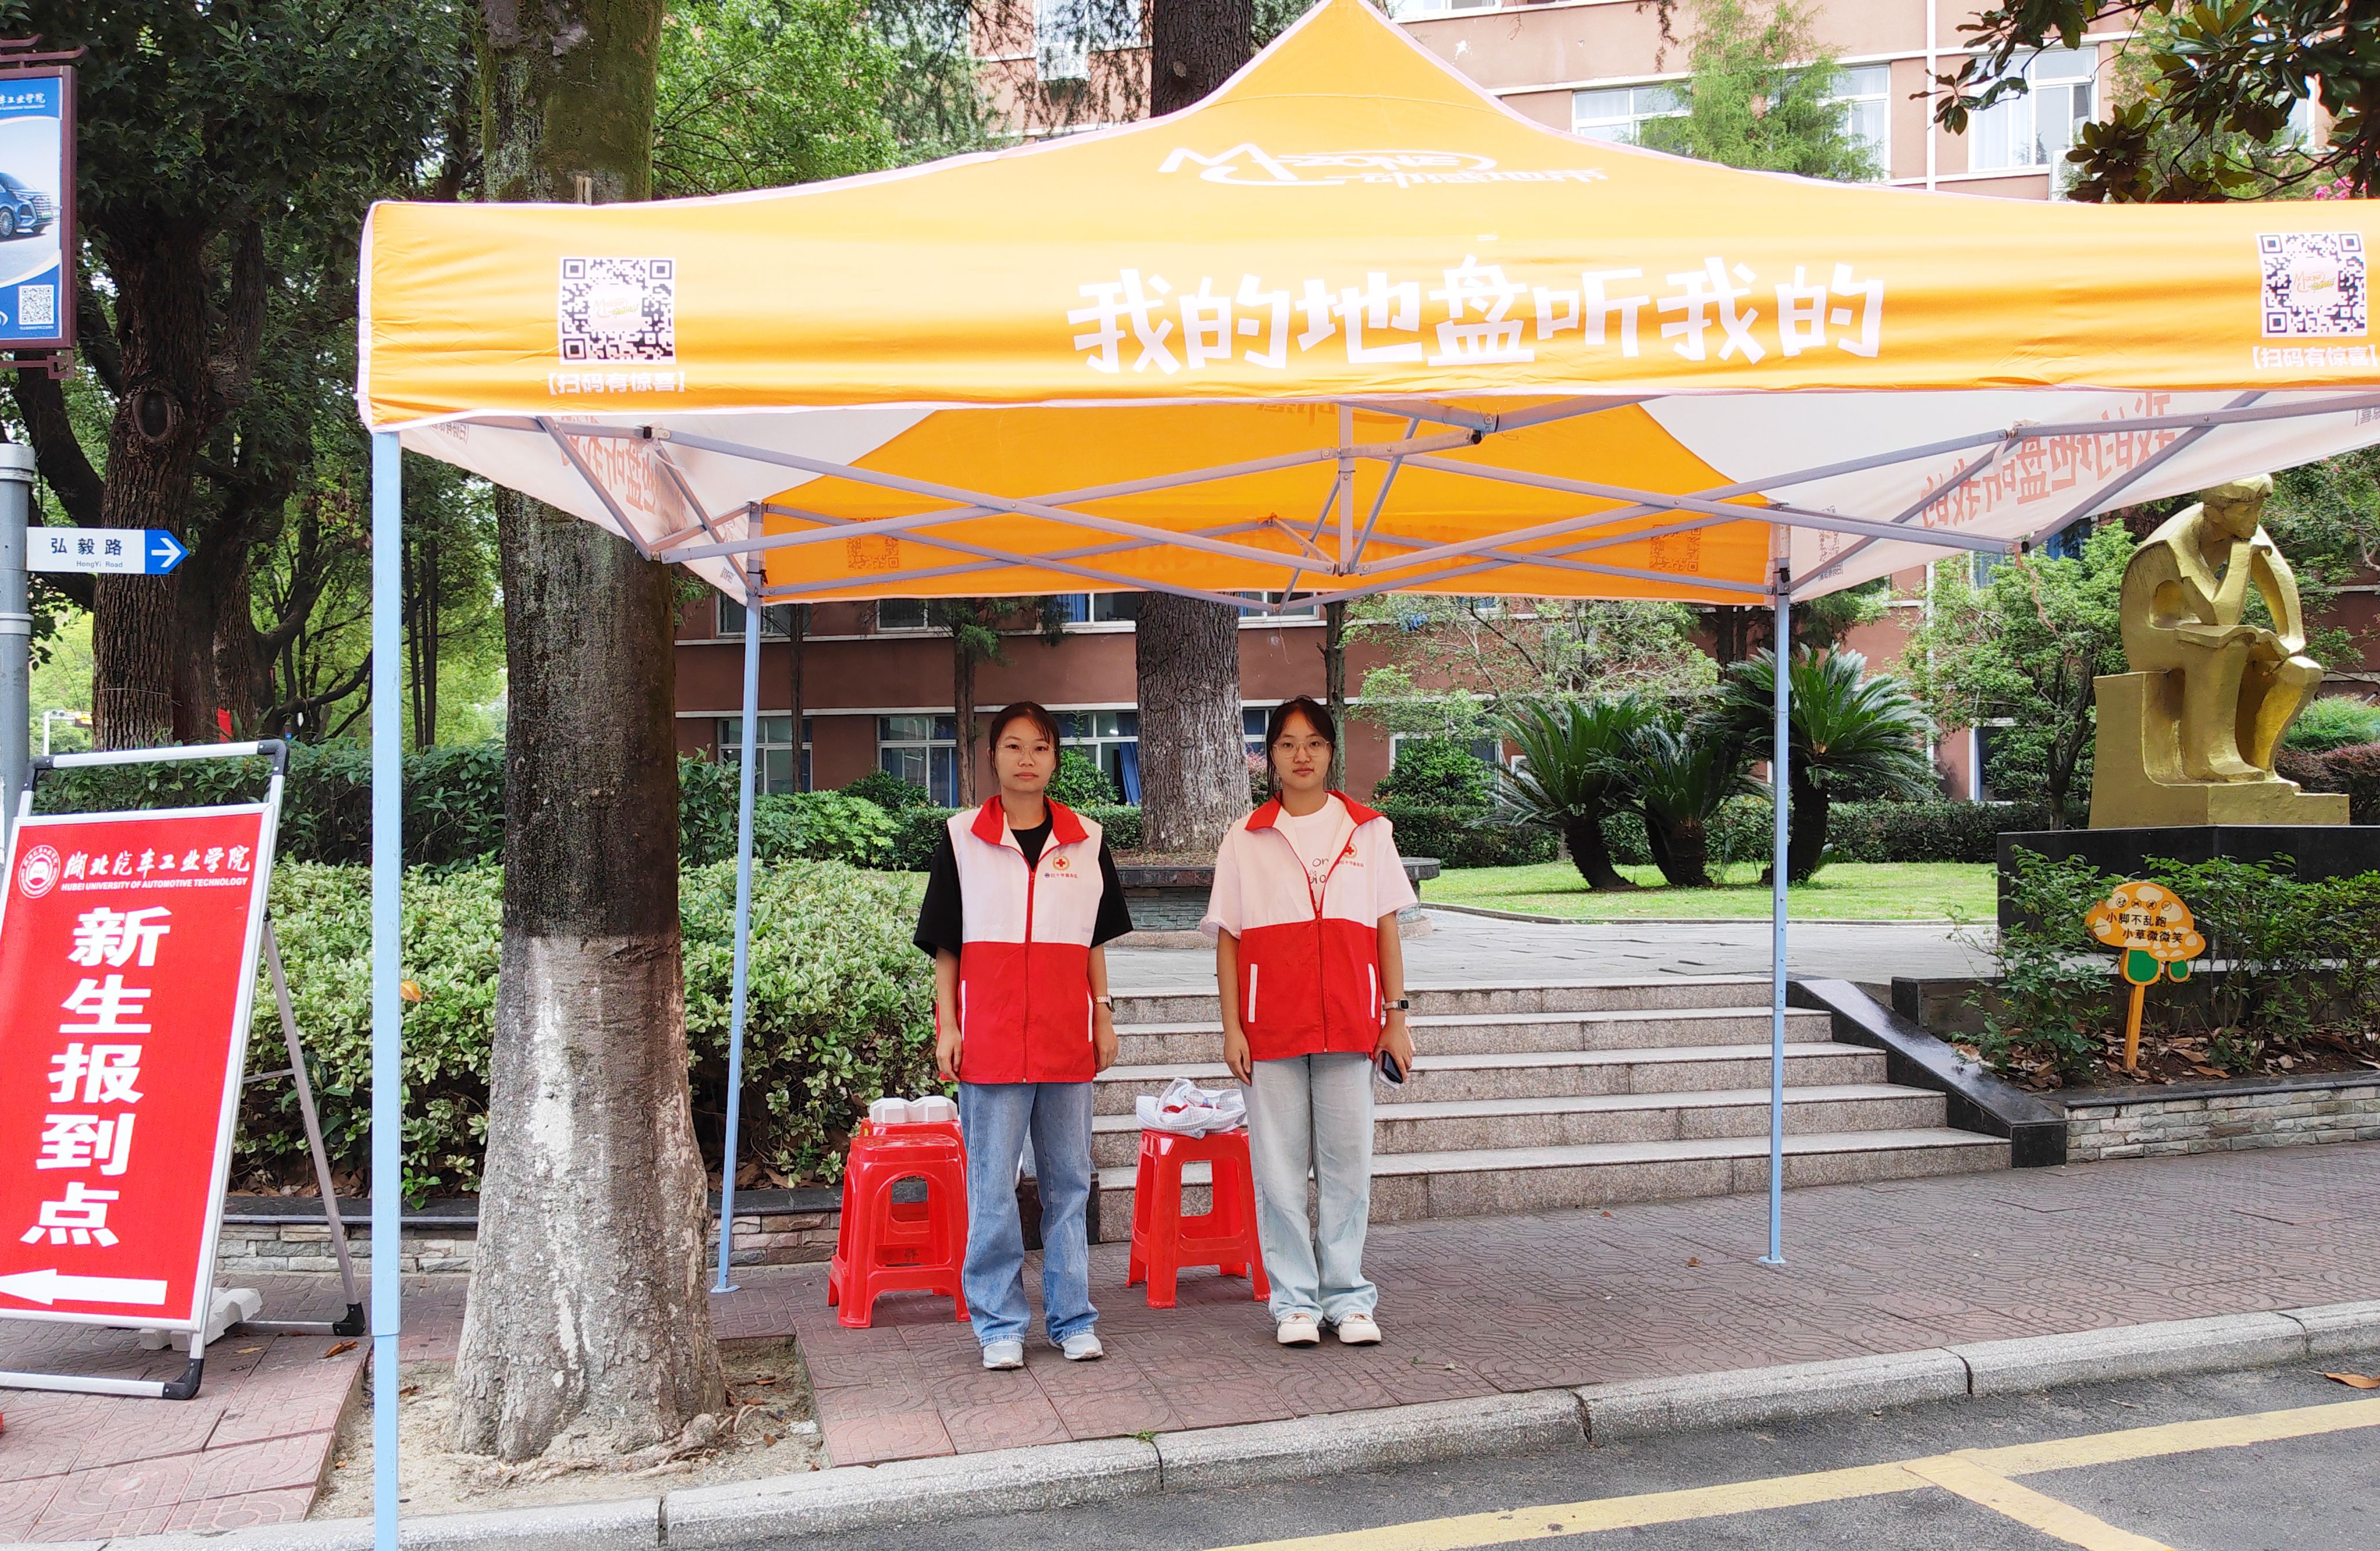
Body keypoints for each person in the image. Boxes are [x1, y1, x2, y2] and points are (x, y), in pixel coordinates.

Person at [913, 702, 1133, 1370]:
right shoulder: (961, 839)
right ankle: (999, 1324)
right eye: (1013, 746)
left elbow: (1093, 940)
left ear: (1055, 759)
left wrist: (1102, 1013)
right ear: (993, 757)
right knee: (991, 1188)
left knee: (1069, 1184)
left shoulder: (1087, 839)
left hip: (1066, 1038)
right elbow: (945, 946)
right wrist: (948, 1025)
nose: (1026, 759)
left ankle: (1072, 1318)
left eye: (1039, 746)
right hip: (991, 1038)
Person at [1200, 696, 1416, 1348]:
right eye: (1288, 743)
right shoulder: (1244, 837)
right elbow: (1229, 939)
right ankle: (1294, 1302)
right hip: (1270, 1028)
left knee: (1348, 1167)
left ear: (1330, 752)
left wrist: (1396, 1016)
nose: (1301, 755)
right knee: (1279, 1171)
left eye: (1314, 743)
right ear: (1269, 755)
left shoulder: (1368, 830)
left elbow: (1385, 928)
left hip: (1351, 1025)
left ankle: (1347, 1297)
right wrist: (1233, 1027)